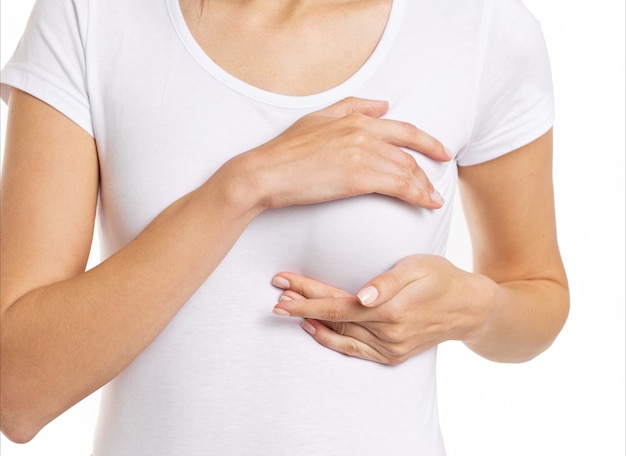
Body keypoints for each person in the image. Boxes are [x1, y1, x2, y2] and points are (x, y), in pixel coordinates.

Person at [0, 0, 569, 454]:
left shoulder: (480, 27)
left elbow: (537, 294)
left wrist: (476, 309)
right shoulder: (90, 15)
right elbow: (18, 392)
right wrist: (247, 185)